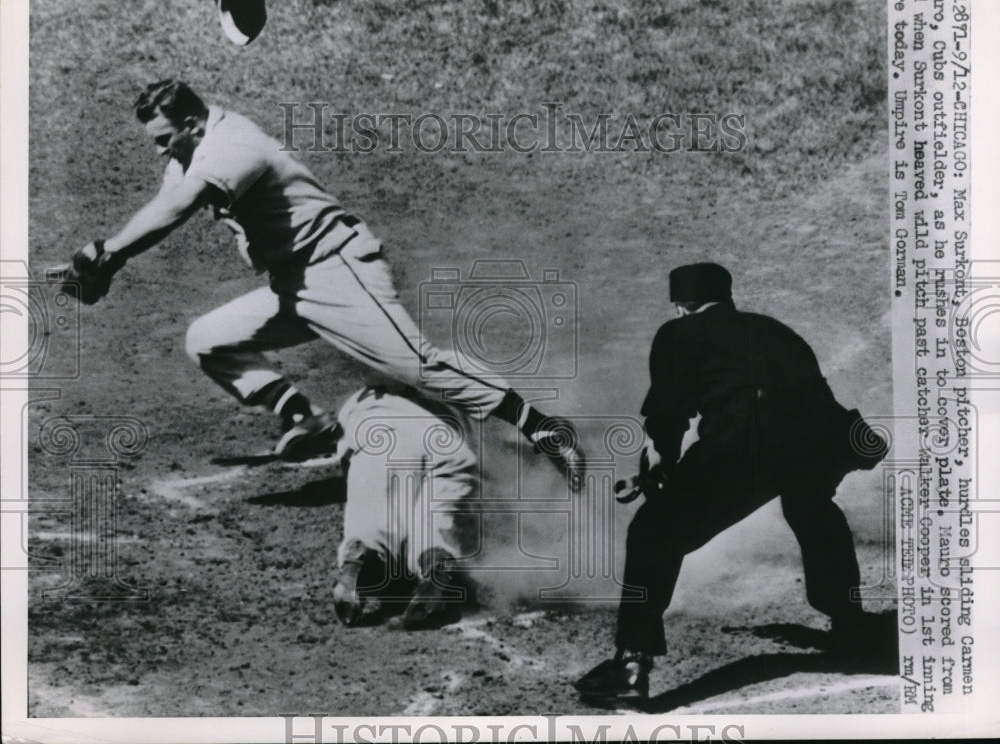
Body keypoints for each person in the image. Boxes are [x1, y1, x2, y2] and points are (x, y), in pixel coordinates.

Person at [71, 79, 584, 483]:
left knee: (418, 366)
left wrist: (110, 254)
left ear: (192, 124)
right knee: (207, 340)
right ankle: (306, 419)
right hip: (294, 283)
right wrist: (109, 254)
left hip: (338, 270)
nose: (161, 152)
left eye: (164, 140)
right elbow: (166, 200)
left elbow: (178, 208)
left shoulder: (232, 144)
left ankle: (545, 428)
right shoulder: (191, 150)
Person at [575, 262, 888, 701]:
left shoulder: (676, 334)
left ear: (682, 304)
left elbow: (668, 418)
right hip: (823, 440)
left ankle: (631, 664)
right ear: (727, 296)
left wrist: (658, 466)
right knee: (810, 506)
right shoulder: (773, 329)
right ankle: (851, 624)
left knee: (652, 533)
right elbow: (814, 396)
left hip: (745, 449)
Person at [323, 384, 480, 630]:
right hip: (452, 428)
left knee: (374, 505)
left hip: (377, 417)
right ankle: (434, 556)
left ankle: (365, 551)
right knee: (436, 518)